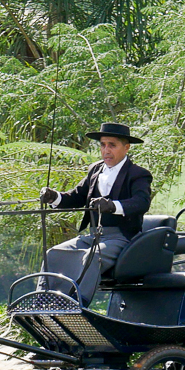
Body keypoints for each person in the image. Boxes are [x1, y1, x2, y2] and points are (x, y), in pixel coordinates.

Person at [39, 123, 152, 302]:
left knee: (92, 257)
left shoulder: (138, 174)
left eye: (112, 145)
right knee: (53, 253)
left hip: (121, 237)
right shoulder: (95, 169)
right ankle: (45, 299)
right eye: (102, 145)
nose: (106, 150)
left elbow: (142, 202)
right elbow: (76, 196)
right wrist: (54, 197)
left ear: (126, 147)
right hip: (93, 236)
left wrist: (113, 206)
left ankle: (77, 303)